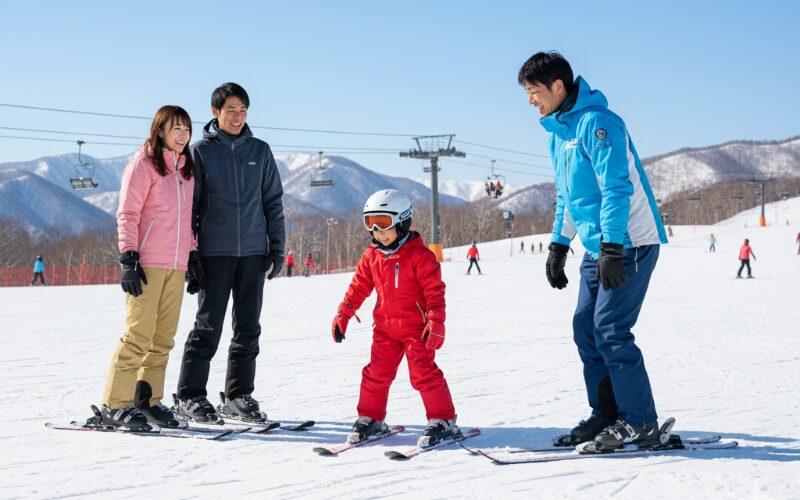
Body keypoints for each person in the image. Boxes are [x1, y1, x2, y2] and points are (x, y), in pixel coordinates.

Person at [519, 51, 668, 451]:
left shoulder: (599, 124)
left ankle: (639, 422)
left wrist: (613, 247)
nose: (531, 101)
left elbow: (617, 190)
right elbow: (568, 195)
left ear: (558, 86)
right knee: (586, 328)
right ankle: (607, 412)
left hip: (629, 241)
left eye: (534, 92)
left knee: (611, 330)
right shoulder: (559, 132)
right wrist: (558, 244)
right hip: (599, 245)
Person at [175, 83, 286, 424]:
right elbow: (189, 208)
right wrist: (191, 254)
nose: (237, 117)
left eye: (243, 111)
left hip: (253, 252)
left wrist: (277, 247)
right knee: (208, 326)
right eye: (231, 111)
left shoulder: (260, 150)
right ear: (215, 113)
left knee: (248, 327)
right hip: (214, 253)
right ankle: (190, 396)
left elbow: (273, 202)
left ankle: (239, 396)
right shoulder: (200, 153)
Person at [331, 189, 458, 447]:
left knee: (423, 373)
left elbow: (435, 293)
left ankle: (443, 419)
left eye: (384, 223)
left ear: (402, 221)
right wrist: (344, 313)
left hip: (417, 330)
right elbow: (358, 287)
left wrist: (436, 322)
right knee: (376, 373)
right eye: (371, 223)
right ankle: (371, 418)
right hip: (385, 329)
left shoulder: (421, 257)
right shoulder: (372, 256)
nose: (378, 230)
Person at [101, 105, 198, 430]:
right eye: (176, 129)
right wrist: (129, 256)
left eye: (186, 129)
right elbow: (128, 213)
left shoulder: (186, 170)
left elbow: (188, 222)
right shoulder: (143, 166)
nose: (182, 136)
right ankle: (115, 404)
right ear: (160, 131)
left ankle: (148, 400)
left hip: (176, 266)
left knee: (163, 338)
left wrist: (193, 255)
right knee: (138, 336)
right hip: (146, 264)